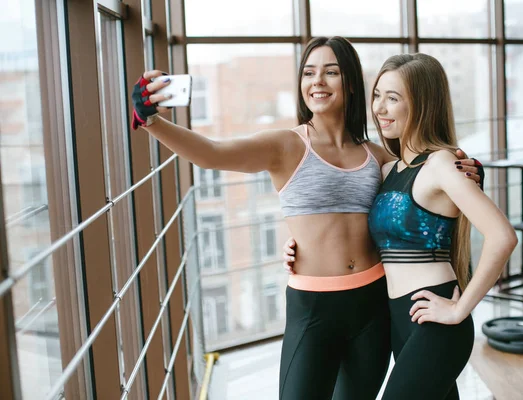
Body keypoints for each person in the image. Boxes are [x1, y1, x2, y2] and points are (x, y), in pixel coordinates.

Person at [130, 37, 483, 400]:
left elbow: (420, 201)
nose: (317, 81)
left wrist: (468, 171)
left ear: (349, 83)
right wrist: (152, 121)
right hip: (313, 308)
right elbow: (211, 154)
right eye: (309, 72)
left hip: (373, 308)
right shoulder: (286, 145)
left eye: (331, 72)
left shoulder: (378, 156)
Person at [283, 53, 517, 399]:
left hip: (435, 317)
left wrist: (459, 308)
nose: (380, 108)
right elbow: (345, 220)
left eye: (393, 98)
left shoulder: (441, 164)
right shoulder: (387, 169)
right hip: (398, 317)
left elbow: (502, 237)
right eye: (377, 95)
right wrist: (300, 243)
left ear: (422, 104)